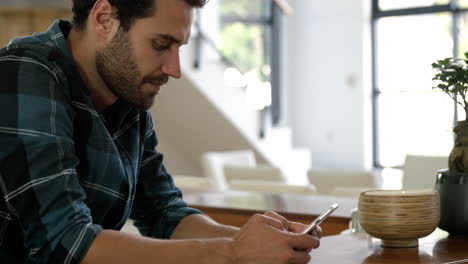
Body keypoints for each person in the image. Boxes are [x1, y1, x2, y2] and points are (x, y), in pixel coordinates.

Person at [0, 0, 322, 263]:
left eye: (179, 47)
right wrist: (233, 252)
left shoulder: (127, 100)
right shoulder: (27, 73)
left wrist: (254, 240)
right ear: (104, 19)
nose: (175, 69)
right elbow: (65, 243)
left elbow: (164, 213)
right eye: (161, 44)